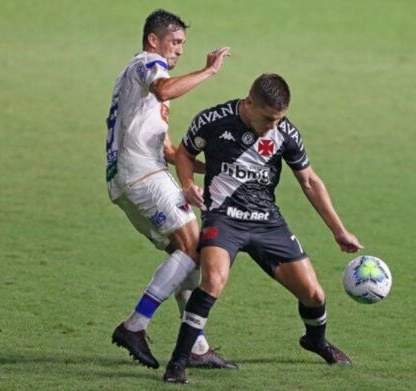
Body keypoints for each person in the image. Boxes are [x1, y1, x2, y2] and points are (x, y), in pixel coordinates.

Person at [163, 73, 364, 383]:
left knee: (313, 294)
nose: (273, 126)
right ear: (249, 103)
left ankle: (316, 341)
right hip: (223, 218)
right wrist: (188, 184)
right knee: (214, 280)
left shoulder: (285, 132)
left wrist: (339, 230)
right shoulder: (213, 120)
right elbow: (184, 154)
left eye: (279, 119)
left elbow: (309, 181)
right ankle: (177, 363)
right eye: (268, 118)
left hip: (267, 222)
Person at [105, 9, 236, 370]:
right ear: (153, 40)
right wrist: (209, 71)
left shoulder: (142, 90)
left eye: (182, 44)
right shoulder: (147, 65)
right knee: (197, 247)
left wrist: (217, 168)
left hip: (132, 176)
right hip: (142, 174)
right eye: (175, 42)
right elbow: (164, 87)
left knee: (187, 255)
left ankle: (195, 346)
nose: (179, 51)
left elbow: (169, 151)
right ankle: (135, 325)